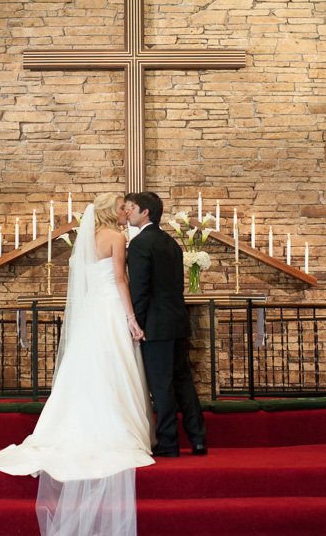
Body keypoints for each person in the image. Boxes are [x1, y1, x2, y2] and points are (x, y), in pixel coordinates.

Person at [0, 193, 154, 536]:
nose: (124, 211)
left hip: (91, 314)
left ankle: (72, 426)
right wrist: (130, 317)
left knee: (88, 368)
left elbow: (88, 283)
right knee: (113, 365)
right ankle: (115, 427)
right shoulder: (115, 237)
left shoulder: (87, 241)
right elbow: (120, 279)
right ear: (108, 212)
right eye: (120, 207)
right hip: (112, 308)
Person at [124, 191, 207, 457]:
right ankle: (198, 440)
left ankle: (169, 444)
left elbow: (140, 290)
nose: (128, 212)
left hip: (156, 326)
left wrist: (135, 323)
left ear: (145, 211)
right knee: (183, 381)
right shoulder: (172, 243)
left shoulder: (139, 245)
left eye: (132, 207)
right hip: (178, 322)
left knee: (161, 385)